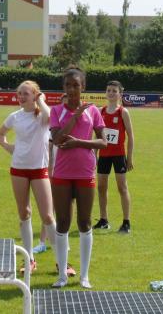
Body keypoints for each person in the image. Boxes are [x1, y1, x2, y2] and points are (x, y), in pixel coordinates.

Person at [49, 68, 106, 289]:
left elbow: (103, 142)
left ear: (83, 87)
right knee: (63, 222)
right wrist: (74, 116)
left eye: (76, 85)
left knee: (84, 222)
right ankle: (62, 275)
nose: (72, 89)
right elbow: (56, 139)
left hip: (85, 172)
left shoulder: (94, 111)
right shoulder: (56, 110)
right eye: (68, 85)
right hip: (62, 173)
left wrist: (80, 143)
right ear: (63, 88)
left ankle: (84, 276)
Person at [0, 81, 56, 274]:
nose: (20, 97)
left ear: (35, 95)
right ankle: (29, 259)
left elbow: (51, 118)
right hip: (19, 169)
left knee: (48, 216)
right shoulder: (15, 116)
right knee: (24, 213)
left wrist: (41, 100)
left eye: (25, 94)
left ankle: (60, 260)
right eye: (19, 93)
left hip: (39, 170)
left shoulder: (42, 116)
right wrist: (9, 148)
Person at [94, 80, 135, 234]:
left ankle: (126, 222)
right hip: (104, 155)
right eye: (108, 90)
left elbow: (131, 136)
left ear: (120, 94)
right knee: (101, 187)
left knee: (122, 187)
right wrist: (94, 154)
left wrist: (129, 158)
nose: (111, 93)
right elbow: (98, 135)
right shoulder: (101, 111)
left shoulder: (123, 112)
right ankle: (103, 220)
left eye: (114, 91)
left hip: (119, 155)